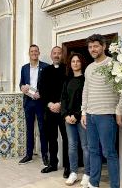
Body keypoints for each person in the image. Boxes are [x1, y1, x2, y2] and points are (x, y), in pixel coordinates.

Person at [81, 34, 122, 188]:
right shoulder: (88, 68)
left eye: (95, 46)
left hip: (106, 116)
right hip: (90, 115)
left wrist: (119, 111)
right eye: (90, 47)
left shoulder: (113, 64)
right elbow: (86, 91)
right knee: (93, 151)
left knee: (109, 153)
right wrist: (83, 112)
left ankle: (115, 186)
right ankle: (94, 183)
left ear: (103, 47)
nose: (92, 49)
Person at [39, 46, 70, 178]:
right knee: (51, 138)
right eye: (54, 53)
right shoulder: (45, 70)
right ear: (51, 55)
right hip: (50, 110)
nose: (57, 55)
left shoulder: (67, 70)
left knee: (67, 139)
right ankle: (52, 164)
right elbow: (42, 89)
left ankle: (68, 166)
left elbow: (69, 90)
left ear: (62, 55)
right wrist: (50, 104)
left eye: (59, 53)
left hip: (64, 111)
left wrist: (60, 104)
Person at [61, 53, 90, 187]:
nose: (76, 63)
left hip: (82, 118)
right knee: (72, 147)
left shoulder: (86, 80)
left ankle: (87, 174)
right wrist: (66, 115)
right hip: (68, 119)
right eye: (73, 61)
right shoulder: (67, 80)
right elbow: (64, 99)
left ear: (81, 63)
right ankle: (73, 172)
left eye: (78, 61)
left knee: (85, 147)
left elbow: (86, 100)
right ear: (70, 64)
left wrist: (76, 115)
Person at [18, 44, 49, 166]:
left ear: (39, 52)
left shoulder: (46, 67)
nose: (34, 53)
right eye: (32, 51)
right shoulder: (24, 68)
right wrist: (22, 88)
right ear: (29, 53)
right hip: (28, 102)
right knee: (29, 129)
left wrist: (41, 94)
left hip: (41, 102)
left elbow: (47, 86)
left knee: (42, 129)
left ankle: (45, 155)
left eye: (36, 51)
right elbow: (21, 83)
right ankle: (29, 155)